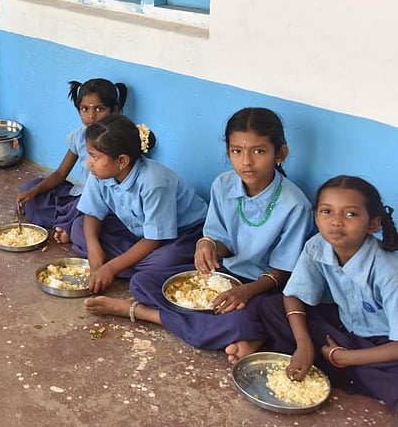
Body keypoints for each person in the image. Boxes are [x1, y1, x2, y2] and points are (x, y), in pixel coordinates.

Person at [88, 108, 315, 349]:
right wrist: (207, 245)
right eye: (237, 151)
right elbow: (219, 239)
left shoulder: (295, 205)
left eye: (259, 151)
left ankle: (143, 312)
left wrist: (247, 291)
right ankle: (210, 328)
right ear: (228, 152)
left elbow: (283, 272)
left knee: (253, 318)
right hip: (224, 275)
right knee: (142, 282)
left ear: (280, 153)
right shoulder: (223, 184)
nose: (246, 161)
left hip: (262, 286)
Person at [232, 176, 398, 411]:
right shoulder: (317, 245)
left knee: (392, 383)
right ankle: (321, 358)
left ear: (373, 224)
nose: (336, 222)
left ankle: (338, 365)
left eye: (350, 214)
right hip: (343, 329)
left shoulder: (389, 270)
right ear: (316, 215)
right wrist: (304, 344)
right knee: (271, 307)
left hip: (385, 344)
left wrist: (345, 358)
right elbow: (293, 295)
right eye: (326, 211)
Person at [68, 114, 207, 295]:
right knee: (79, 228)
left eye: (94, 157)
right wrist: (94, 249)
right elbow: (93, 213)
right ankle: (128, 263)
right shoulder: (100, 173)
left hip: (181, 234)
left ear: (122, 161)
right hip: (137, 230)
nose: (89, 163)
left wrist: (111, 268)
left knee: (164, 261)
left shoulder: (154, 182)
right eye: (89, 155)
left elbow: (155, 238)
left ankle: (122, 264)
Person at [17, 78, 127, 242]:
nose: (91, 116)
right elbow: (61, 173)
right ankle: (68, 223)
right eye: (84, 109)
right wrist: (33, 193)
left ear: (115, 110)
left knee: (87, 212)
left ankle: (69, 226)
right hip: (80, 194)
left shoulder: (121, 140)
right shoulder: (79, 136)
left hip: (106, 201)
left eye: (100, 109)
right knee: (31, 188)